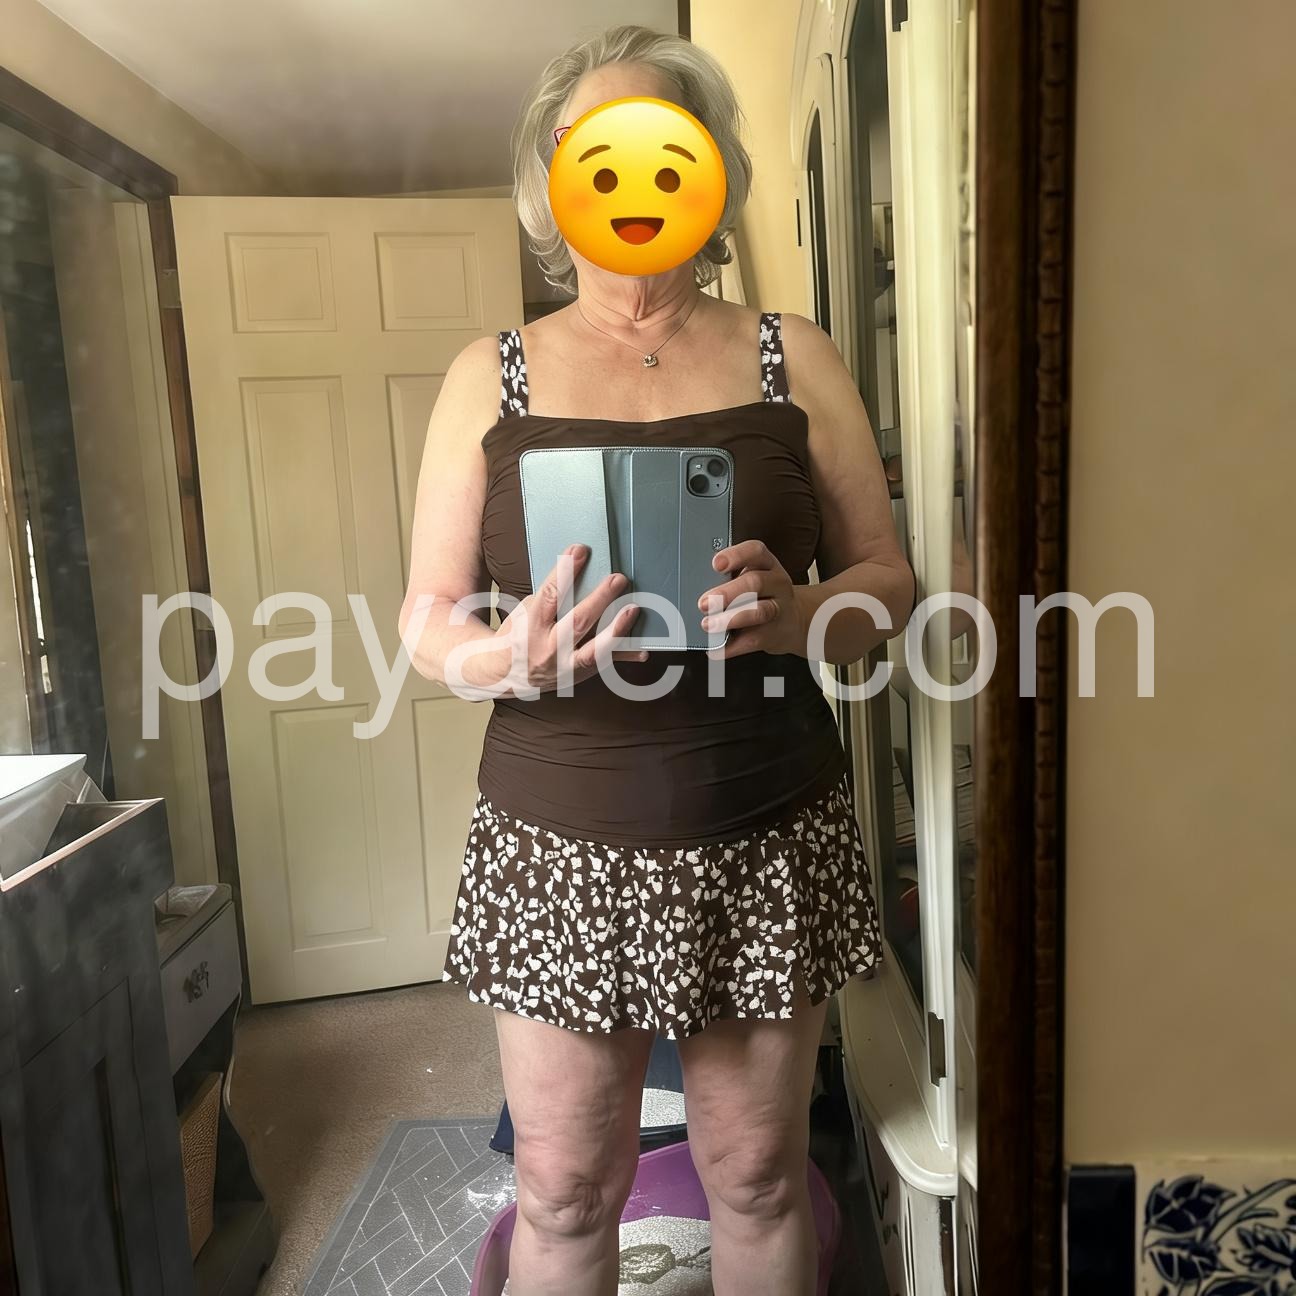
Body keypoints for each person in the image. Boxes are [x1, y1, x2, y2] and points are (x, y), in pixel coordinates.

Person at [398, 24, 914, 1296]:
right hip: (557, 845)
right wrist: (509, 657)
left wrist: (803, 615)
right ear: (552, 177)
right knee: (566, 1193)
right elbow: (426, 617)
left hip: (767, 832)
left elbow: (890, 584)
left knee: (758, 1176)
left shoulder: (796, 354)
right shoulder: (489, 377)